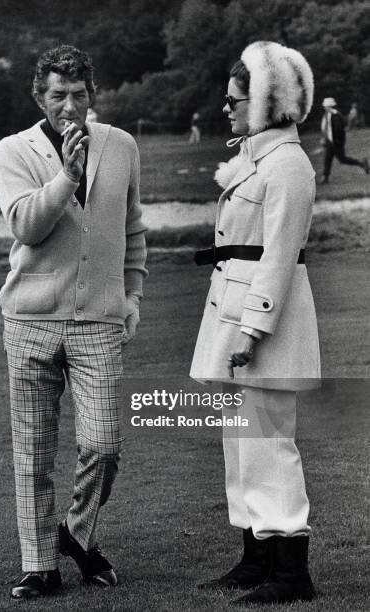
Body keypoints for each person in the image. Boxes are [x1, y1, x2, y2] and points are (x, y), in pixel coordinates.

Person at [0, 44, 147, 600]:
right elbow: (28, 227)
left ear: (92, 96)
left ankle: (76, 535)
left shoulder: (122, 146)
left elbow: (132, 228)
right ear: (40, 96)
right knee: (33, 451)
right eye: (58, 95)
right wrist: (67, 177)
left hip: (100, 321)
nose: (69, 106)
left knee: (103, 444)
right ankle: (39, 567)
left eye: (79, 95)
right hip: (30, 320)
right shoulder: (13, 151)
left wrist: (132, 294)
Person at [190, 41, 321, 604]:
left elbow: (279, 256)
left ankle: (292, 572)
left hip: (261, 323)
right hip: (232, 313)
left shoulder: (287, 165)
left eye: (237, 99)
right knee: (240, 444)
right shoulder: (257, 159)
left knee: (269, 443)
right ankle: (255, 557)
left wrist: (252, 328)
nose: (227, 108)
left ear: (270, 103)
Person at [319, 97, 368, 184]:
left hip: (336, 142)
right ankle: (325, 177)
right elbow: (327, 129)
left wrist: (337, 141)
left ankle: (361, 163)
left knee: (342, 159)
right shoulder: (329, 114)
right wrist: (326, 139)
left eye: (325, 106)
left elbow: (338, 130)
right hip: (331, 142)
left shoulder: (335, 116)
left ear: (329, 106)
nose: (324, 107)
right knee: (328, 159)